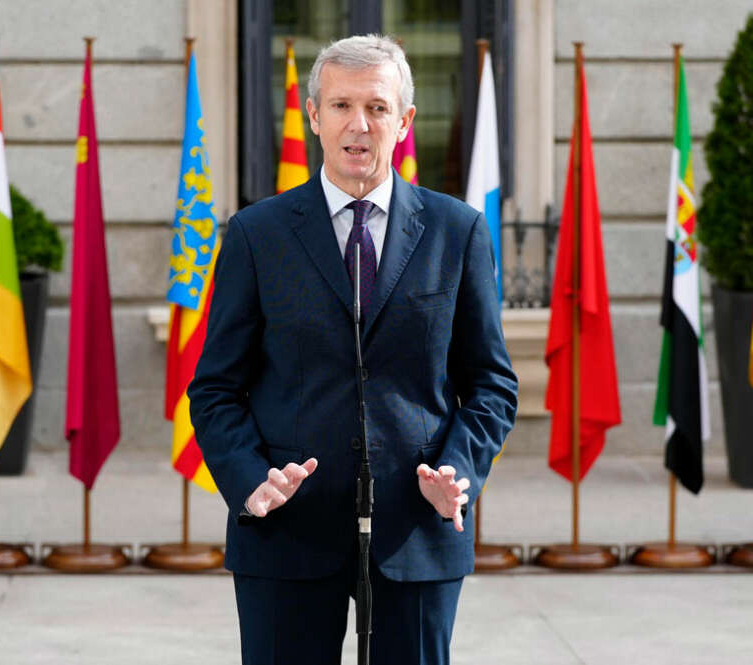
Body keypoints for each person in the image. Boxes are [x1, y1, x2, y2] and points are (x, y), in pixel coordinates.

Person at [188, 34, 517, 665]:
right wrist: (248, 477)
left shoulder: (458, 232)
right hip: (286, 531)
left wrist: (459, 470)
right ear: (313, 116)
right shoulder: (256, 235)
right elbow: (215, 389)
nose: (358, 125)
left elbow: (491, 385)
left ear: (405, 121)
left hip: (416, 532)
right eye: (340, 106)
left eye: (377, 107)